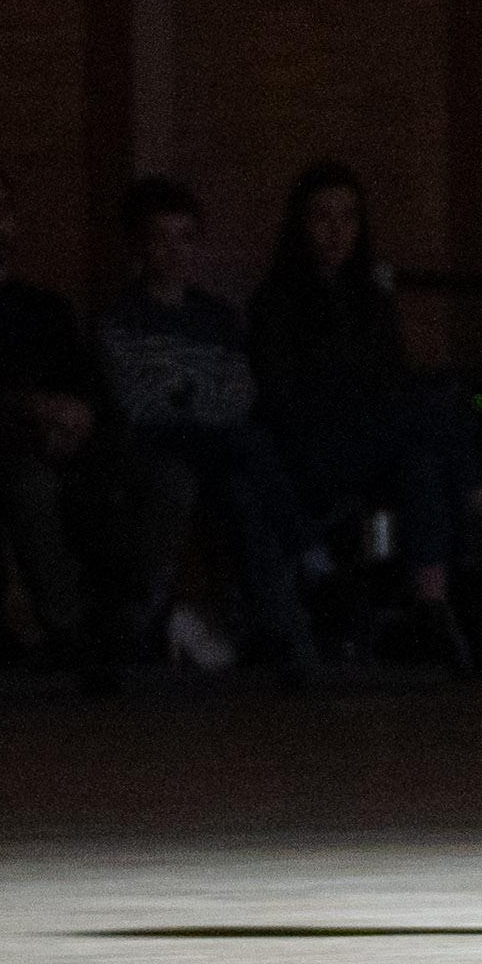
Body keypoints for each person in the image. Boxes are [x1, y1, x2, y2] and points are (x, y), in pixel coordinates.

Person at [0, 159, 167, 673]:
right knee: (33, 485)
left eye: (2, 209)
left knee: (162, 476)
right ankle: (72, 629)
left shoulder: (46, 308)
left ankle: (130, 617)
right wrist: (32, 409)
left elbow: (88, 383)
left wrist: (83, 417)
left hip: (66, 441)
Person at [250, 159, 482, 667]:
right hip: (312, 453)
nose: (336, 231)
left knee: (423, 458)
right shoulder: (275, 303)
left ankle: (431, 606)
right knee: (429, 408)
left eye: (348, 217)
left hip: (371, 447)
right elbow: (288, 402)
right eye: (322, 217)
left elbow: (392, 383)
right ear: (301, 225)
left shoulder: (369, 298)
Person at [100, 175, 316, 679]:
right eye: (161, 237)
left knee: (243, 486)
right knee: (251, 449)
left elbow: (240, 392)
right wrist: (195, 397)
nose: (175, 251)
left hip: (217, 444)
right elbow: (137, 401)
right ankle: (308, 555)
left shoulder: (217, 317)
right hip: (158, 443)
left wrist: (184, 393)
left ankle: (274, 628)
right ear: (139, 244)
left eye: (186, 237)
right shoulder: (120, 317)